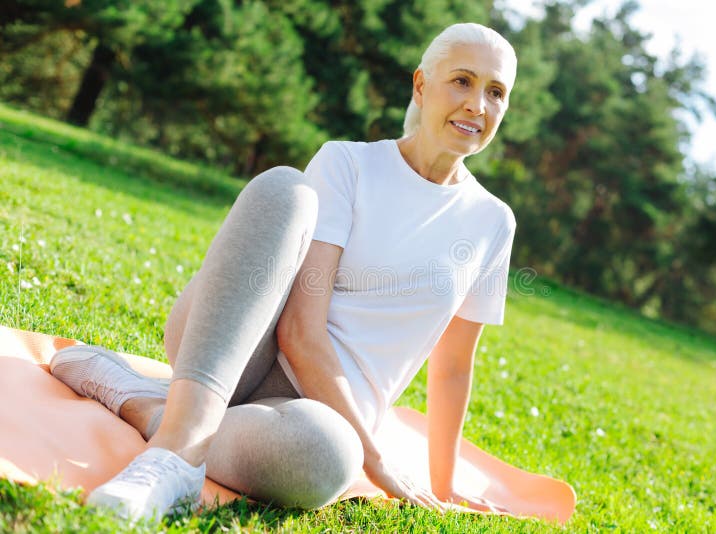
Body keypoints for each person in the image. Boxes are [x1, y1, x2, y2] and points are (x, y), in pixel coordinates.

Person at [50, 22, 518, 522]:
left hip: (310, 418)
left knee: (330, 458)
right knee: (285, 189)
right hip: (239, 350)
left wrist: (441, 488)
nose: (477, 106)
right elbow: (298, 329)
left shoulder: (493, 222)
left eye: (496, 92)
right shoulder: (349, 163)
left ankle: (148, 404)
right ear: (421, 86)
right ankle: (174, 456)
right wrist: (378, 461)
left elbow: (452, 368)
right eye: (462, 81)